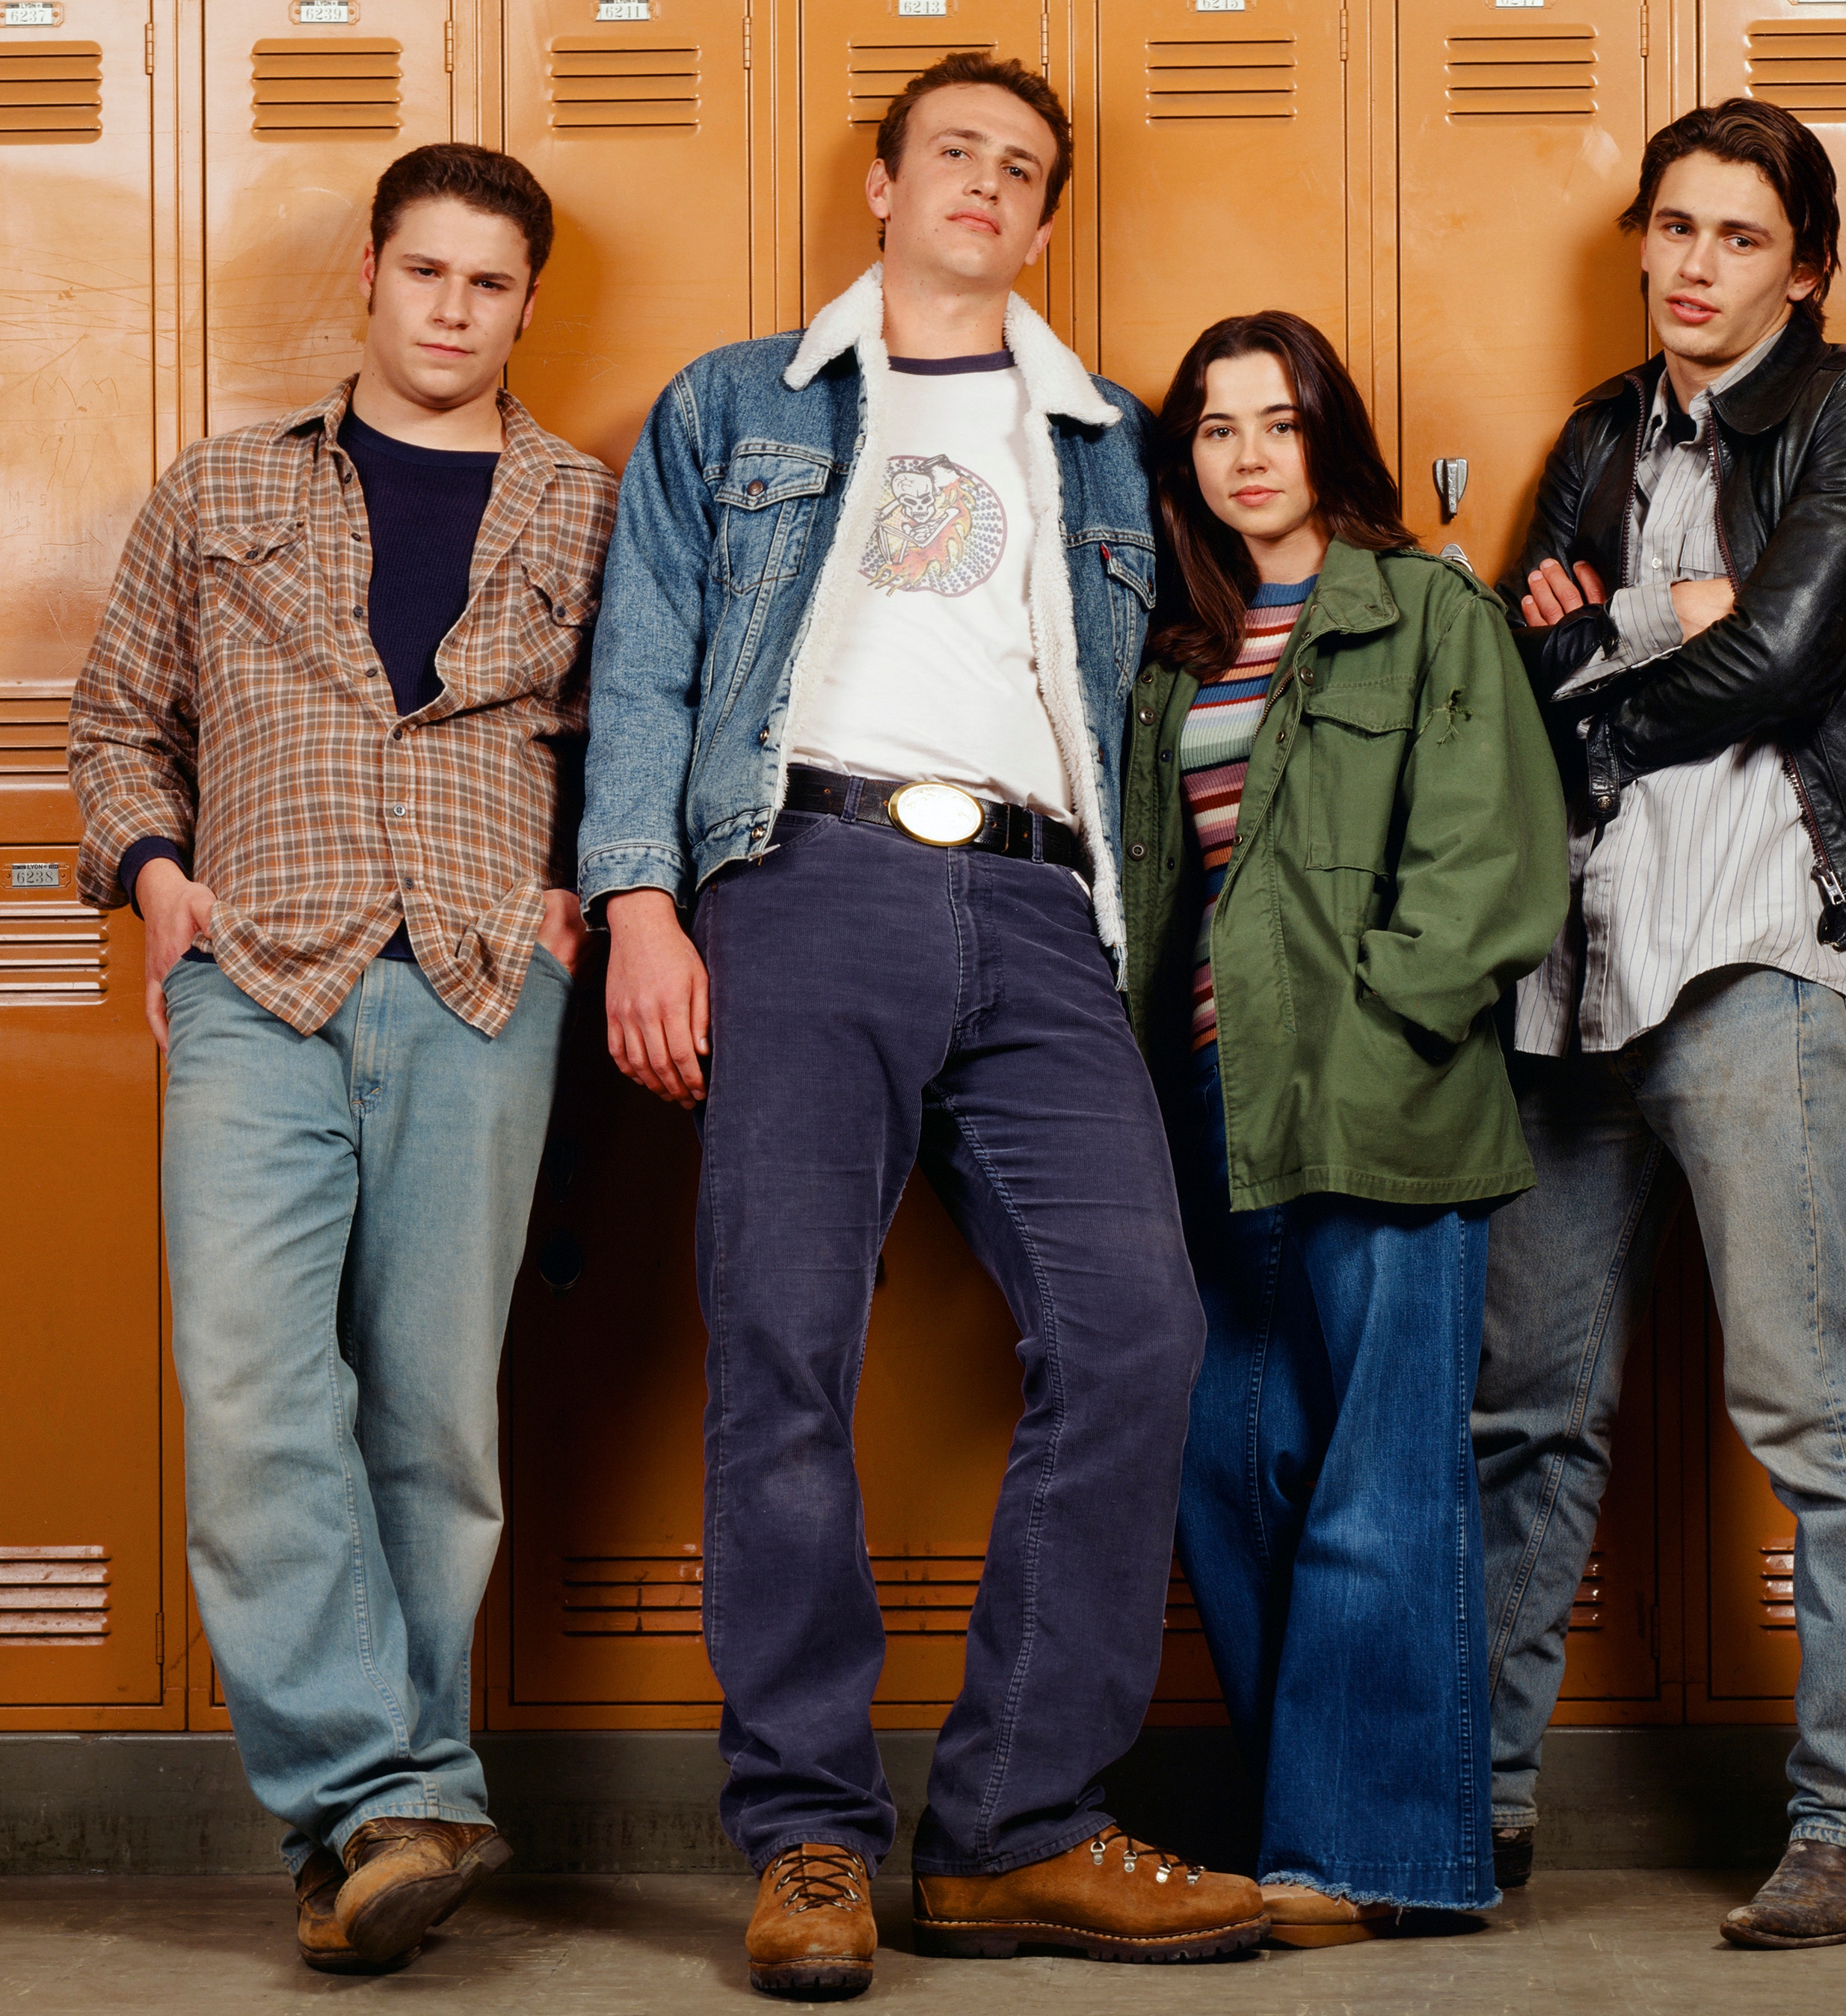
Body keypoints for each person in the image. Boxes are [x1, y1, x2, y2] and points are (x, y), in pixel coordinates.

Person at [576, 52, 1264, 2000]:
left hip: (1044, 909)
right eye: (953, 151)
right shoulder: (735, 402)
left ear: (1043, 220)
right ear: (882, 188)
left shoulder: (1109, 437)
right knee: (784, 1355)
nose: (986, 182)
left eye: (1022, 167)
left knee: (1138, 1332)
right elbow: (646, 666)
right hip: (806, 875)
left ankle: (1017, 1831)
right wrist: (641, 902)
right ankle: (808, 1836)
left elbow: (1223, 624)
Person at [68, 145, 615, 1974]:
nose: (454, 308)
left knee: (433, 1421)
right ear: (370, 275)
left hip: (481, 981)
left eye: (490, 282)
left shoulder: (584, 506)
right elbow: (115, 721)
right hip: (255, 979)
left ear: (525, 305)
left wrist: (595, 893)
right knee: (252, 1397)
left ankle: (365, 1841)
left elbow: (638, 736)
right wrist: (154, 877)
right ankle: (390, 1790)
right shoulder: (220, 486)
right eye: (427, 270)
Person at [1474, 99, 1846, 1947]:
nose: (1695, 266)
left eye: (1741, 238)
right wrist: (1659, 608)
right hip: (1576, 959)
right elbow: (1516, 658)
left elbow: (1786, 652)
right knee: (1523, 1412)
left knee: (1812, 1400)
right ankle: (1477, 1801)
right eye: (1674, 227)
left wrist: (1624, 642)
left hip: (1759, 943)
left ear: (1808, 268)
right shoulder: (1602, 431)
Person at [1120, 312, 1569, 1943]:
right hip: (1208, 1105)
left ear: (1332, 436)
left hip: (1381, 1091)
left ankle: (1375, 1856)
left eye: (1280, 420)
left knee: (1381, 1478)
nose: (1249, 455)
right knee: (1225, 1465)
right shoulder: (1177, 654)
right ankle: (1308, 1822)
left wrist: (1379, 1025)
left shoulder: (1425, 610)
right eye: (1216, 427)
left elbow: (1495, 859)